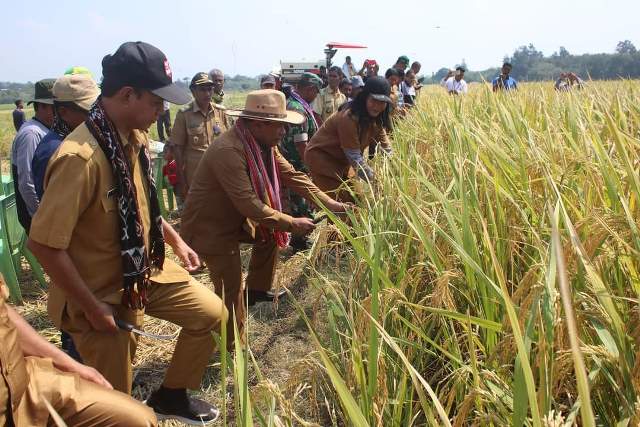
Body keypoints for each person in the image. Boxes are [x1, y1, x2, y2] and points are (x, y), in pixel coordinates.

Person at [27, 41, 228, 425]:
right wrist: (90, 306)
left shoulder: (131, 137)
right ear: (127, 94)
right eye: (156, 102)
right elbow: (43, 244)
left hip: (144, 273)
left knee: (213, 315)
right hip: (101, 292)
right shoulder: (79, 158)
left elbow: (141, 208)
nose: (162, 111)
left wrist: (176, 240)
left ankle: (171, 395)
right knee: (119, 406)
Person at [179, 89, 346, 340]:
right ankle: (233, 345)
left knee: (269, 237)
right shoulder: (229, 150)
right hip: (210, 225)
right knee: (230, 287)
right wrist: (291, 223)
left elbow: (293, 177)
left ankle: (256, 290)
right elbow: (249, 204)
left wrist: (332, 205)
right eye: (279, 126)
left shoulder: (264, 144)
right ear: (257, 124)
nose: (284, 132)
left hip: (236, 218)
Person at [0, 276, 158, 426]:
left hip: (29, 384)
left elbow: (3, 313)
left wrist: (72, 366)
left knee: (137, 419)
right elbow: (44, 250)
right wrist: (91, 308)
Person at [305, 76, 393, 203]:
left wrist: (395, 172)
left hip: (343, 161)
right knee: (341, 205)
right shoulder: (348, 118)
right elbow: (354, 157)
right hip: (323, 159)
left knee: (357, 200)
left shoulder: (376, 120)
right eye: (374, 100)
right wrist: (376, 179)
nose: (377, 106)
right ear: (365, 97)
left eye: (382, 102)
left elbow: (387, 149)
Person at [33, 73, 100, 202]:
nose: (97, 116)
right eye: (89, 111)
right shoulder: (55, 151)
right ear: (63, 112)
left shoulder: (75, 139)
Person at [281, 73, 324, 250]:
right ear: (309, 89)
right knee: (301, 204)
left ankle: (299, 239)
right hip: (297, 165)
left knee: (300, 202)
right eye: (315, 92)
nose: (316, 96)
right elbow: (301, 144)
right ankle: (299, 242)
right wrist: (311, 168)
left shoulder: (294, 104)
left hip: (295, 163)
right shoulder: (298, 109)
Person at [171, 72, 229, 194]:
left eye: (210, 89)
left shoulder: (220, 112)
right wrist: (182, 183)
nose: (207, 93)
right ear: (193, 91)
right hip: (195, 180)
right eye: (202, 90)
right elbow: (177, 150)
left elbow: (229, 143)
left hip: (220, 177)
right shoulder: (184, 115)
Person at [10, 79, 55, 232]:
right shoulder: (31, 134)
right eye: (55, 107)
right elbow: (27, 182)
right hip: (36, 217)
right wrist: (41, 217)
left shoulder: (45, 129)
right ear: (41, 106)